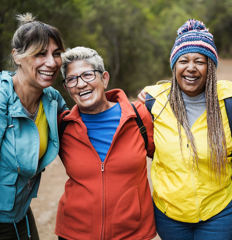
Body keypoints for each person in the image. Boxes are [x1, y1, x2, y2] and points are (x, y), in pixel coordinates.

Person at [138, 19, 232, 240]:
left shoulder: (231, 100)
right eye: (183, 60)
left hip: (218, 212)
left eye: (200, 61)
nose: (191, 68)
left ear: (210, 67)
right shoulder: (154, 103)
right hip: (169, 214)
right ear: (175, 66)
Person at [55, 47, 156, 240]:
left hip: (132, 234)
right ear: (67, 87)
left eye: (87, 75)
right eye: (72, 79)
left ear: (105, 79)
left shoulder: (138, 117)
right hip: (75, 233)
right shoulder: (62, 126)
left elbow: (171, 156)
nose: (81, 84)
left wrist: (231, 159)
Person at [0, 13, 67, 240]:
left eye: (56, 54)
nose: (52, 62)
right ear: (17, 57)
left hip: (20, 210)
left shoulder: (52, 99)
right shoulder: (2, 97)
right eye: (40, 54)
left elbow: (82, 126)